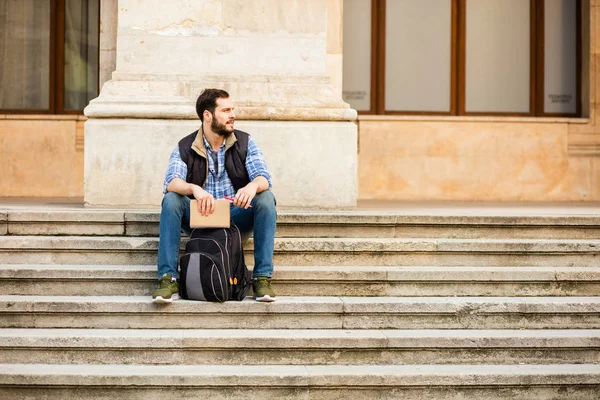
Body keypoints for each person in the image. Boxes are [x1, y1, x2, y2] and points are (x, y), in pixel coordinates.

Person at [152, 88, 277, 303]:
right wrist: (194, 189)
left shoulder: (245, 142)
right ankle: (168, 278)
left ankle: (261, 278)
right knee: (171, 199)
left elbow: (264, 177)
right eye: (226, 110)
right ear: (207, 115)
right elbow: (171, 182)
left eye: (232, 110)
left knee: (265, 197)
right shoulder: (185, 146)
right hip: (200, 217)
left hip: (235, 218)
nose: (232, 115)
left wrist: (251, 187)